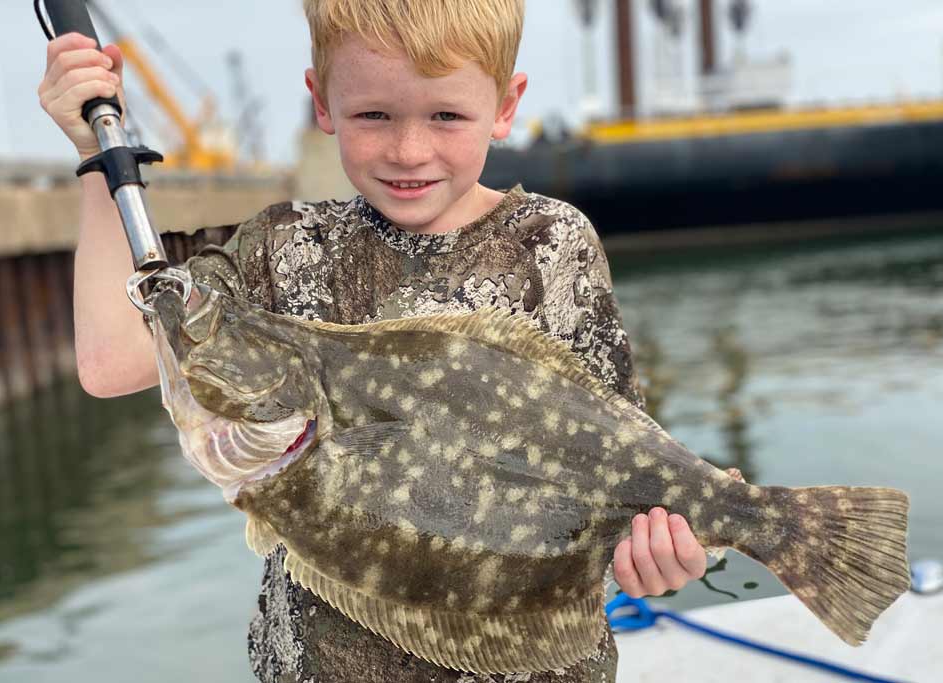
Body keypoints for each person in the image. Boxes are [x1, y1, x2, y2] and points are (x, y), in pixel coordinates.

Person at [37, 1, 710, 681]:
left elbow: (629, 473)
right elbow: (114, 358)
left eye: (446, 115)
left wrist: (658, 554)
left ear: (506, 106)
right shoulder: (283, 248)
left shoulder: (551, 244)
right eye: (373, 115)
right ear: (322, 103)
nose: (408, 149)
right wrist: (98, 155)